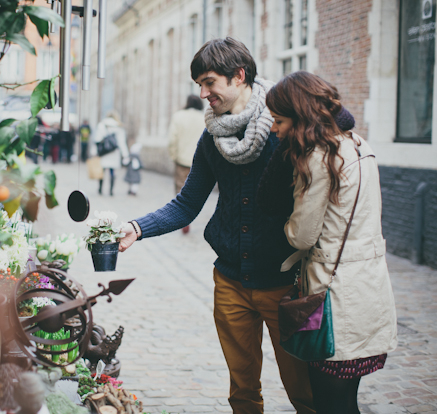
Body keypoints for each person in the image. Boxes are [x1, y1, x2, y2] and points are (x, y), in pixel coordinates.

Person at [119, 37, 316, 413]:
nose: (203, 93)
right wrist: (138, 227)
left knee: (303, 390)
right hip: (230, 282)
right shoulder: (211, 139)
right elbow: (187, 202)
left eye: (209, 82)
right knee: (242, 392)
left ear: (238, 76)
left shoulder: (283, 131)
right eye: (199, 85)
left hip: (285, 285)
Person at [265, 71, 397, 414]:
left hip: (334, 299)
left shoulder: (318, 156)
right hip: (367, 290)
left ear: (300, 116)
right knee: (344, 399)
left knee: (329, 403)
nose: (274, 129)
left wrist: (283, 225)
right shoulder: (358, 144)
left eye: (279, 120)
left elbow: (301, 235)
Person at [168, 94, 205, 233]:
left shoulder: (179, 116)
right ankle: (190, 216)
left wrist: (174, 156)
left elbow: (172, 139)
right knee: (197, 191)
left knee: (180, 189)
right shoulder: (204, 117)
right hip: (200, 162)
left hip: (182, 160)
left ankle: (183, 219)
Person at [90, 110, 129, 196]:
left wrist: (94, 152)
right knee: (112, 171)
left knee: (102, 171)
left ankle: (100, 189)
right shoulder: (118, 126)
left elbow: (97, 140)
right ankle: (111, 190)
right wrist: (125, 155)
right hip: (114, 152)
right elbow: (122, 142)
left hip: (104, 152)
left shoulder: (101, 125)